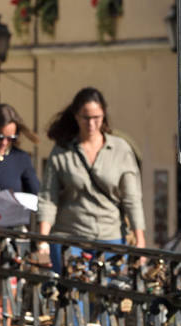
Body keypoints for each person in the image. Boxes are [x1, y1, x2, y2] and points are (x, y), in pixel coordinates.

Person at [37, 88, 146, 269]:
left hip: (111, 238)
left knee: (112, 287)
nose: (91, 124)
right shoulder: (62, 150)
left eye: (97, 117)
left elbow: (132, 198)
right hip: (70, 237)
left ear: (104, 115)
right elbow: (48, 197)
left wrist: (140, 240)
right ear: (76, 117)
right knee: (72, 287)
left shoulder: (121, 149)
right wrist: (43, 240)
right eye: (86, 118)